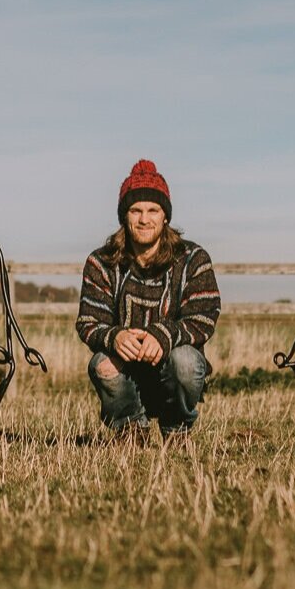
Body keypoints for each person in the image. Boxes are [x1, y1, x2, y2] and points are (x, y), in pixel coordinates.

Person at [76, 160, 221, 437]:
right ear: (124, 216)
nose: (144, 219)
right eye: (136, 210)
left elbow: (204, 315)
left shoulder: (193, 259)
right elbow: (88, 321)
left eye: (153, 210)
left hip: (174, 366)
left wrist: (163, 334)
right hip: (126, 371)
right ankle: (130, 431)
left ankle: (177, 430)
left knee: (186, 363)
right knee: (101, 364)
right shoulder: (101, 262)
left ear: (165, 215)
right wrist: (114, 337)